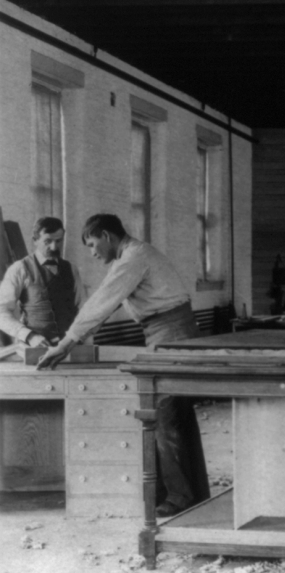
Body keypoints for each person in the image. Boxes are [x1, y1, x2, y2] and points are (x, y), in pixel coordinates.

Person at [37, 213, 209, 517]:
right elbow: (101, 304)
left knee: (165, 415)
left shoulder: (133, 258)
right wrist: (80, 337)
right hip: (166, 330)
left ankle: (180, 496)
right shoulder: (127, 258)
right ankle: (188, 492)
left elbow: (101, 303)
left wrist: (65, 345)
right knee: (174, 414)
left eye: (93, 245)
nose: (92, 253)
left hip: (171, 332)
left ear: (106, 235)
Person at [0, 217, 85, 347]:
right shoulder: (19, 268)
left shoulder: (71, 269)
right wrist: (29, 336)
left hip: (68, 347)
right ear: (35, 241)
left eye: (58, 241)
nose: (54, 246)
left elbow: (83, 308)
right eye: (48, 241)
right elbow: (1, 311)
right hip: (35, 347)